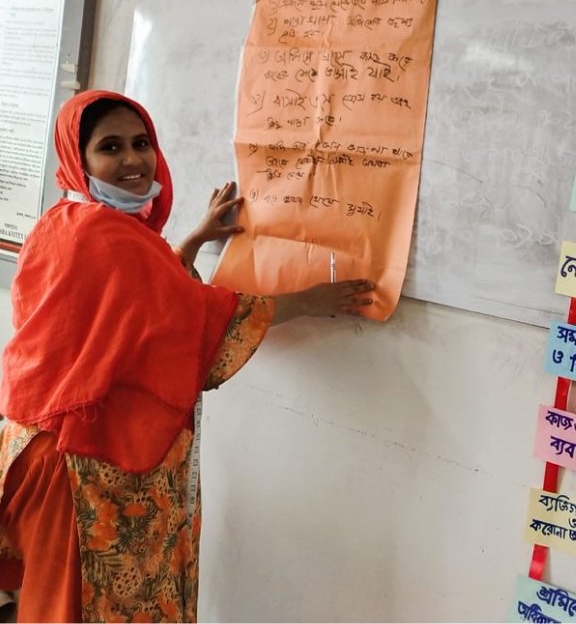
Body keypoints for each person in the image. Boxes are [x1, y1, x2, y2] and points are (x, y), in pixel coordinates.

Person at [0, 89, 374, 623]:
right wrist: (308, 300)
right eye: (110, 147)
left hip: (39, 447)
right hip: (85, 465)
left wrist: (192, 242)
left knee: (59, 603)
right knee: (90, 610)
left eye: (141, 142)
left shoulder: (64, 222)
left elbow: (131, 309)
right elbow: (197, 322)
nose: (132, 159)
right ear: (78, 160)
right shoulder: (110, 238)